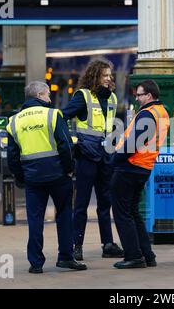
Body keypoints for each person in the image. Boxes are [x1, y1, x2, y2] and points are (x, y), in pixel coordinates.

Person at [7, 81, 86, 273]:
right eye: (48, 95)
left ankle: (36, 263)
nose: (50, 98)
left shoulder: (14, 121)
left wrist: (21, 176)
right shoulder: (53, 115)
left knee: (35, 220)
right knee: (65, 214)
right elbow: (65, 145)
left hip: (33, 178)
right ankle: (66, 257)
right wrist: (70, 169)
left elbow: (12, 156)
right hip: (58, 175)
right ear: (40, 95)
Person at [62, 60, 124, 261]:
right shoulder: (83, 97)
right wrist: (70, 143)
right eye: (104, 75)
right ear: (94, 76)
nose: (108, 79)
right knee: (81, 204)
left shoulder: (113, 98)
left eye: (109, 75)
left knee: (105, 202)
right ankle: (76, 245)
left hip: (106, 156)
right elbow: (62, 117)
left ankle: (107, 244)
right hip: (87, 156)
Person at [111, 80, 169, 269]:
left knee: (123, 213)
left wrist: (113, 159)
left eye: (139, 95)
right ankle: (147, 255)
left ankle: (134, 256)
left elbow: (132, 143)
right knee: (133, 212)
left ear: (149, 96)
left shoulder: (147, 114)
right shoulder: (161, 112)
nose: (136, 98)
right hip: (143, 167)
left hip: (130, 167)